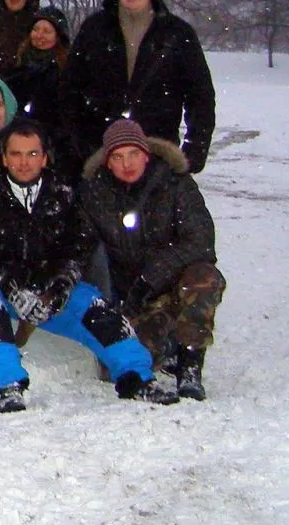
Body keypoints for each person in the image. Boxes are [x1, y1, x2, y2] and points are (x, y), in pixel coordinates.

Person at [0, 118, 178, 412]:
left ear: (44, 158)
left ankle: (136, 376)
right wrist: (10, 286)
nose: (24, 162)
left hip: (48, 289)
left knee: (97, 309)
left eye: (32, 154)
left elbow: (78, 248)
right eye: (16, 154)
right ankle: (7, 385)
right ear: (4, 158)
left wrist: (59, 288)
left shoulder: (63, 195)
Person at [76, 119, 224, 400]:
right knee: (115, 369)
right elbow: (83, 247)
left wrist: (152, 277)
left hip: (175, 286)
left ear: (146, 154)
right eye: (118, 157)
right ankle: (168, 345)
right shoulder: (94, 194)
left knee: (204, 278)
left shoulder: (175, 183)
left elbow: (201, 241)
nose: (127, 163)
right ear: (108, 162)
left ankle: (190, 362)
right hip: (133, 299)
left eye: (133, 154)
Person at [61, 0, 216, 173]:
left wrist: (194, 150)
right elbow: (69, 91)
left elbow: (200, 97)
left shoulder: (178, 34)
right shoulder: (93, 30)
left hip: (158, 158)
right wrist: (81, 146)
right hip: (101, 157)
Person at [4, 5, 76, 177]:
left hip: (56, 147)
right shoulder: (17, 64)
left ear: (58, 37)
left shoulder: (67, 71)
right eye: (36, 29)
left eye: (47, 31)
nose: (39, 35)